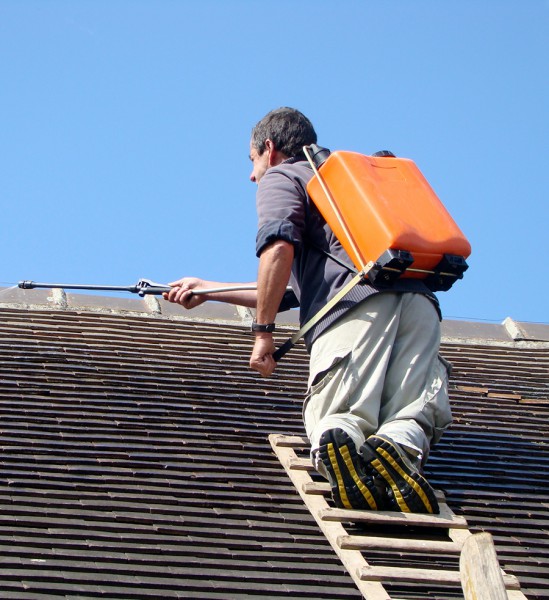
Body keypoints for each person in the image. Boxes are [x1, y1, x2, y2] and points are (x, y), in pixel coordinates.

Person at [165, 107, 452, 514]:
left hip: (355, 315)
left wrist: (262, 334)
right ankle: (397, 453)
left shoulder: (284, 176)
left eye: (252, 162)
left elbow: (279, 249)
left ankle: (345, 451)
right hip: (420, 305)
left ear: (270, 148)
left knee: (339, 415)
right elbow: (291, 288)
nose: (252, 175)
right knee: (409, 414)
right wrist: (208, 290)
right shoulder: (347, 189)